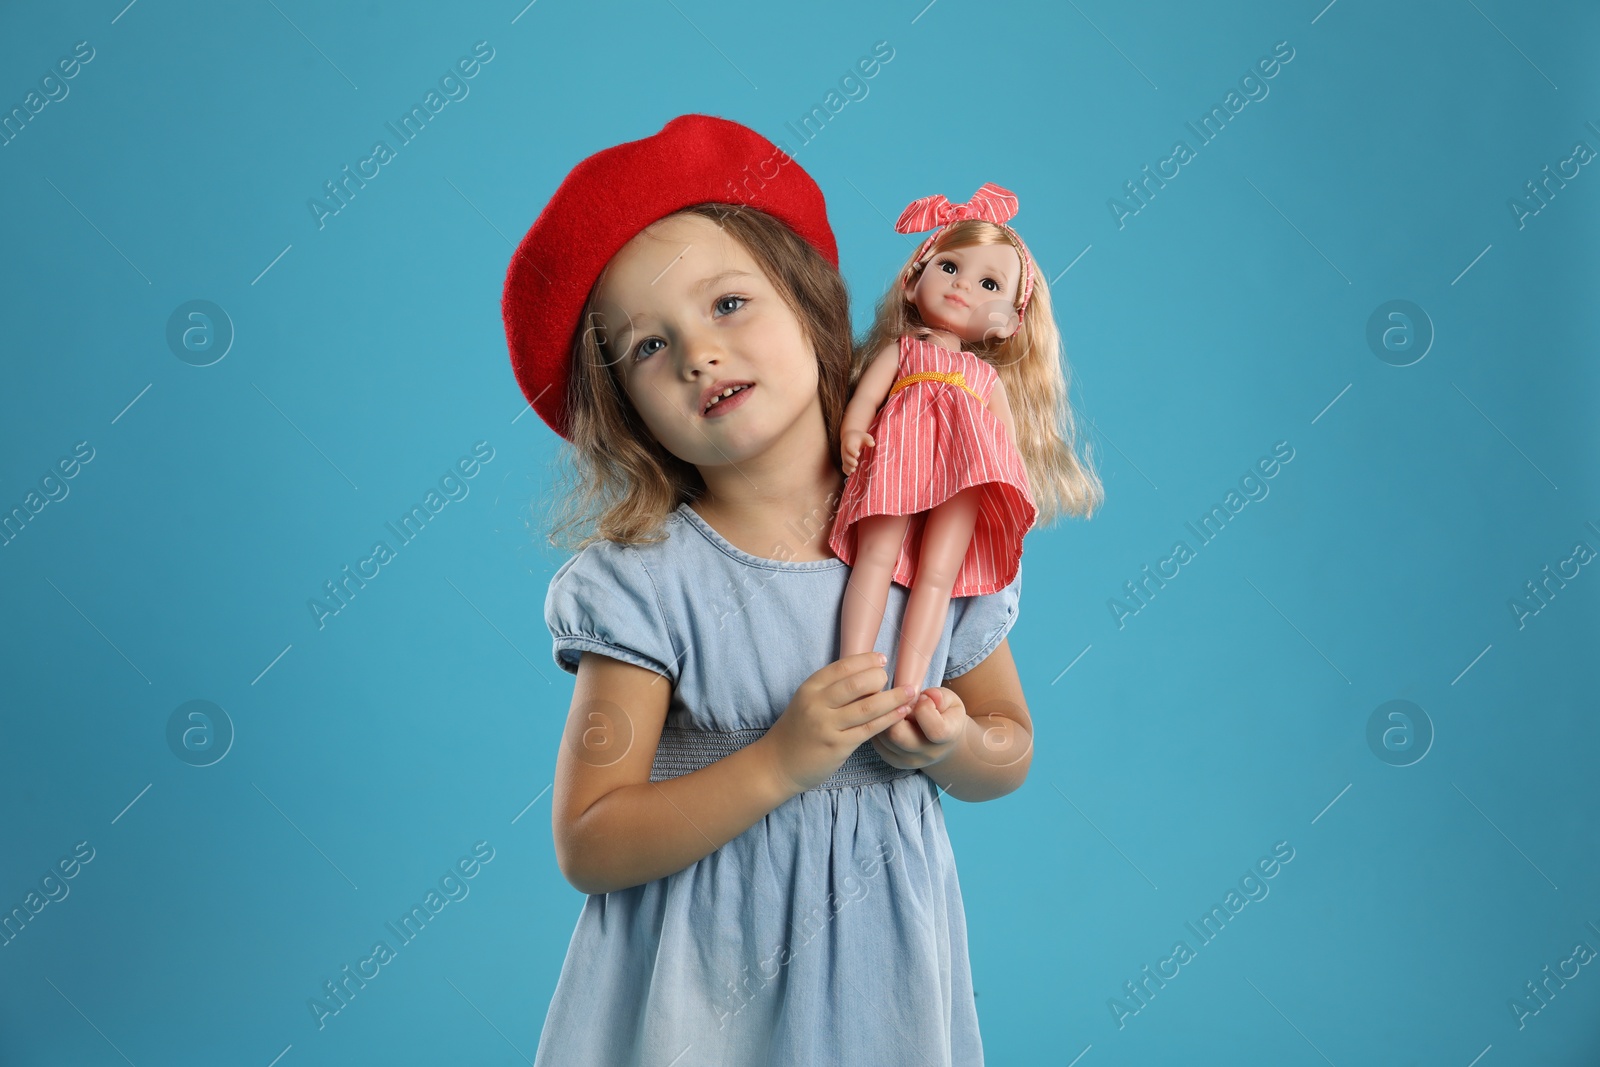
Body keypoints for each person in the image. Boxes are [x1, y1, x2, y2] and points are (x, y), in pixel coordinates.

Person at [502, 113, 1035, 1065]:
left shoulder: (926, 532)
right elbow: (588, 839)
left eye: (728, 304)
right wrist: (778, 763)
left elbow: (1010, 746)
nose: (699, 353)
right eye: (648, 348)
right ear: (624, 410)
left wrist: (955, 746)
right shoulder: (651, 583)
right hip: (697, 988)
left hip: (879, 987)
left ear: (810, 305)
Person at [829, 182, 1103, 694]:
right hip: (897, 463)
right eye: (950, 267)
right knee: (875, 556)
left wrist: (1016, 491)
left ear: (1008, 325)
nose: (962, 287)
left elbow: (1002, 446)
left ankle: (911, 688)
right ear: (914, 281)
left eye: (990, 285)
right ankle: (852, 671)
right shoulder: (906, 352)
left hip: (964, 482)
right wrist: (852, 431)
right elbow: (865, 401)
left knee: (939, 575)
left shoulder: (985, 379)